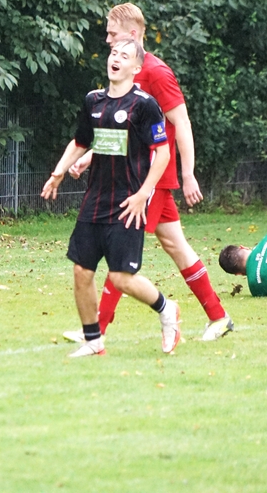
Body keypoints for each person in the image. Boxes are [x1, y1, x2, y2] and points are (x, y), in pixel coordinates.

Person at [64, 3, 232, 343]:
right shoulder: (125, 71)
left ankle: (95, 331)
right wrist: (90, 157)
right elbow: (123, 131)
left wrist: (188, 173)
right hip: (139, 176)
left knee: (119, 251)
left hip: (147, 181)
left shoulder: (156, 72)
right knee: (176, 245)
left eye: (112, 34)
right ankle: (219, 317)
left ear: (132, 34)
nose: (108, 40)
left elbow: (181, 122)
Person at [41, 38, 181, 357]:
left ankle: (166, 309)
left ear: (136, 67)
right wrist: (59, 172)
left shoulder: (144, 105)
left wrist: (143, 194)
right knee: (81, 271)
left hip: (128, 202)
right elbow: (82, 141)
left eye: (124, 55)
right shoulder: (93, 101)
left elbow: (162, 153)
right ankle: (93, 341)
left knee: (121, 278)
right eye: (113, 53)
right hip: (94, 201)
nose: (115, 58)